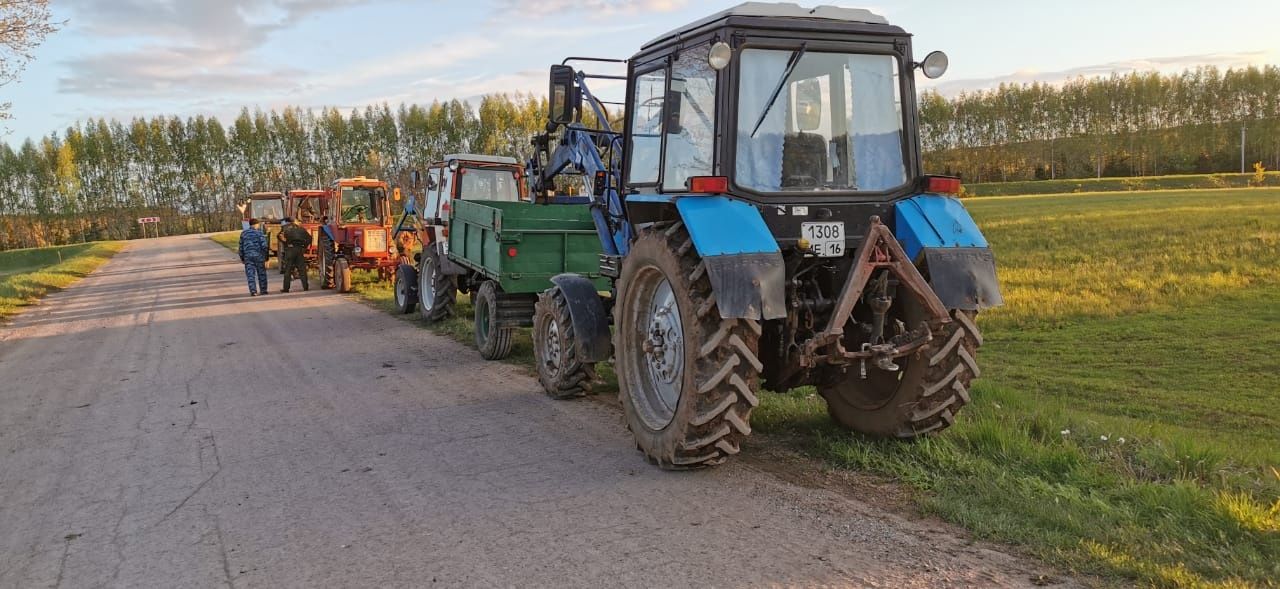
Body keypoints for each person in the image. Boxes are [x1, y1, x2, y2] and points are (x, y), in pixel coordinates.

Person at [238, 219, 270, 296]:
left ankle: (253, 291)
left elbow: (241, 247)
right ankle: (263, 290)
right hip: (259, 256)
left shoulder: (244, 234)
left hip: (248, 257)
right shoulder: (259, 233)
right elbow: (264, 246)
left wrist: (242, 258)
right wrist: (266, 258)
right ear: (256, 224)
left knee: (250, 275)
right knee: (261, 274)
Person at [279, 217, 311, 292]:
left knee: (288, 270)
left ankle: (286, 288)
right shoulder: (301, 229)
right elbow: (309, 238)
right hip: (299, 249)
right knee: (302, 269)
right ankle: (305, 287)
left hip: (290, 250)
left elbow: (280, 236)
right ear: (295, 221)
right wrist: (304, 247)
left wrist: (286, 243)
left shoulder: (285, 228)